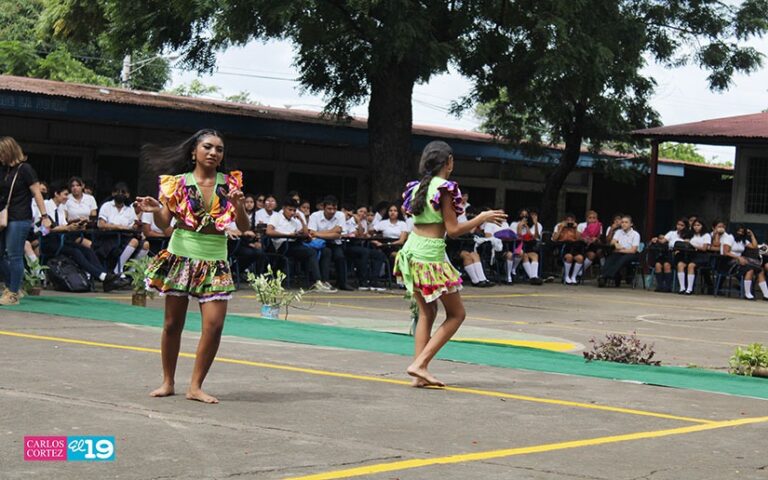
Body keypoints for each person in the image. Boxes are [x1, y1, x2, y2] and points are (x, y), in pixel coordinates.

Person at [137, 128, 249, 404]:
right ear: (194, 152)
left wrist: (239, 206)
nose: (213, 153)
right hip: (181, 255)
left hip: (215, 259)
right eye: (207, 147)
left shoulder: (230, 184)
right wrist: (156, 210)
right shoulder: (176, 183)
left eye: (219, 149)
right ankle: (168, 382)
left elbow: (244, 226)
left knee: (214, 325)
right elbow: (164, 224)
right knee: (172, 324)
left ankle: (195, 386)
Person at [396, 140, 506, 387]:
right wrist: (481, 217)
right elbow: (454, 230)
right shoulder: (445, 188)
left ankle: (419, 374)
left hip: (411, 252)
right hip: (429, 256)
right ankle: (420, 364)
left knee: (427, 312)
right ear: (449, 162)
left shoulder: (416, 187)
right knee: (457, 314)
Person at [40, 180, 126, 291]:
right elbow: (44, 230)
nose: (67, 197)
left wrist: (76, 225)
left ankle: (105, 276)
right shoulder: (45, 206)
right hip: (48, 242)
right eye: (65, 194)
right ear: (56, 194)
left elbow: (64, 225)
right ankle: (102, 277)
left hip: (61, 240)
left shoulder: (61, 208)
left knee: (87, 250)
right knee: (75, 252)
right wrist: (66, 228)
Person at [0, 137, 51, 305]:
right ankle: (13, 286)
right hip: (5, 217)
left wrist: (44, 216)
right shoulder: (5, 170)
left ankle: (13, 293)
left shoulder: (25, 169)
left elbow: (37, 193)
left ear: (8, 152)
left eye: (1, 153)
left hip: (19, 217)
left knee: (14, 255)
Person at [267, 197, 335, 292]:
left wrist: (302, 221)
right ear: (283, 208)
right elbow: (269, 231)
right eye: (290, 210)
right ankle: (317, 282)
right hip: (283, 245)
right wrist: (288, 235)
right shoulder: (276, 216)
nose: (292, 212)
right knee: (311, 252)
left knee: (324, 251)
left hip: (296, 243)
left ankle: (323, 281)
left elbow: (306, 234)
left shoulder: (295, 219)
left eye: (294, 210)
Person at [96, 182, 149, 274]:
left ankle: (131, 271)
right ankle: (118, 270)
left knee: (145, 244)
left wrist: (136, 226)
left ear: (127, 195)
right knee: (134, 242)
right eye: (117, 192)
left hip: (125, 236)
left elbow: (133, 225)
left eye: (123, 192)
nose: (120, 194)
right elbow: (101, 224)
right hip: (109, 238)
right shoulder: (107, 206)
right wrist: (118, 226)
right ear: (113, 193)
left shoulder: (129, 209)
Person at [308, 195, 353, 291]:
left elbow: (337, 235)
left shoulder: (340, 215)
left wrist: (318, 233)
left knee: (340, 256)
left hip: (334, 242)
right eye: (329, 209)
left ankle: (343, 283)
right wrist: (333, 231)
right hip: (319, 243)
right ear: (323, 208)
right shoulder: (315, 216)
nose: (332, 211)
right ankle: (324, 281)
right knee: (326, 252)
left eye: (334, 209)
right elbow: (312, 233)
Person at [598, 215, 640, 288]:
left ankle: (605, 276)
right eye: (622, 222)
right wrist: (616, 245)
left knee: (623, 259)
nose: (624, 224)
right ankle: (604, 277)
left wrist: (620, 249)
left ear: (631, 224)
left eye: (626, 222)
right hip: (619, 252)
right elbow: (612, 242)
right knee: (611, 258)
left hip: (631, 253)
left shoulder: (635, 234)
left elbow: (633, 250)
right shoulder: (618, 232)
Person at [722, 225, 762, 300]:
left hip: (740, 261)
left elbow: (755, 246)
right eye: (739, 231)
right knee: (749, 268)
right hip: (728, 261)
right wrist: (738, 257)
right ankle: (747, 293)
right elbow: (726, 252)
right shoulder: (730, 238)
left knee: (754, 269)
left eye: (742, 232)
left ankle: (748, 293)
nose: (740, 233)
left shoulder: (743, 240)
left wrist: (752, 235)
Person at [648, 218, 687, 293]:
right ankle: (660, 286)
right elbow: (663, 241)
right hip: (667, 253)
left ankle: (668, 286)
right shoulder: (671, 233)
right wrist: (656, 239)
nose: (679, 227)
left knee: (667, 265)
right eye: (678, 224)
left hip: (679, 255)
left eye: (682, 225)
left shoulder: (687, 235)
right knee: (658, 264)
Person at [678, 218, 712, 295]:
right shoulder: (691, 235)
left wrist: (692, 245)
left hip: (701, 255)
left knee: (691, 265)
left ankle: (689, 289)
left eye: (698, 225)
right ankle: (682, 288)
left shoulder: (706, 235)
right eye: (695, 225)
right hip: (690, 254)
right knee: (680, 264)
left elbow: (704, 248)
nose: (696, 227)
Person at [511, 208, 543, 284]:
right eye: (522, 215)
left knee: (535, 255)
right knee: (524, 255)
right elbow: (518, 236)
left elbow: (532, 237)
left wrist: (528, 226)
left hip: (527, 245)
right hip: (517, 245)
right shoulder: (514, 224)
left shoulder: (529, 225)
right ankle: (533, 278)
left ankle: (533, 277)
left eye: (526, 215)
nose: (524, 217)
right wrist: (520, 225)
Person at [552, 212, 584, 285]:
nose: (569, 222)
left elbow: (578, 239)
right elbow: (554, 238)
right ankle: (566, 277)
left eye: (571, 220)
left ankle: (573, 277)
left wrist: (576, 228)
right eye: (568, 220)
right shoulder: (559, 225)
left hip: (574, 246)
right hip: (563, 246)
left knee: (580, 258)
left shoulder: (577, 227)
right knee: (569, 257)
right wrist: (561, 228)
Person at [578, 210, 603, 277]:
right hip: (581, 245)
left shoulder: (599, 226)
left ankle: (580, 272)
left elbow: (598, 237)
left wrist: (595, 239)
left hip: (591, 245)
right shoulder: (581, 225)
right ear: (586, 218)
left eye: (594, 218)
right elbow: (577, 237)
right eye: (590, 218)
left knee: (594, 254)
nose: (592, 219)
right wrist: (584, 239)